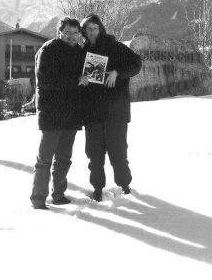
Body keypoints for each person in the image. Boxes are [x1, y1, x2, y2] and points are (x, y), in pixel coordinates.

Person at [80, 14, 142, 202]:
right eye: (88, 29)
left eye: (95, 28)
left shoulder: (114, 46)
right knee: (94, 154)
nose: (92, 32)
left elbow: (136, 64)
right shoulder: (82, 51)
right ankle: (97, 188)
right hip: (93, 112)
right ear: (84, 31)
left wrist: (118, 72)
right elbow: (79, 77)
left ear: (101, 29)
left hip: (116, 111)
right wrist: (81, 79)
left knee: (119, 152)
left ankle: (125, 186)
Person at [30, 17, 85, 210]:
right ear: (59, 32)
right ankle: (38, 199)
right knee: (44, 160)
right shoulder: (48, 50)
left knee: (64, 159)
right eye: (67, 32)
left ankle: (59, 194)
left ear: (80, 34)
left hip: (72, 114)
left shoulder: (80, 52)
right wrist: (76, 81)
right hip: (52, 114)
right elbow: (45, 81)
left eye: (75, 33)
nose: (71, 36)